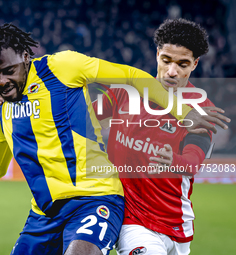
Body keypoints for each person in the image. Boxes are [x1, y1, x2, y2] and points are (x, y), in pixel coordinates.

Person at [0, 23, 228, 255]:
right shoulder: (2, 109)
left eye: (8, 71)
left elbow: (192, 156)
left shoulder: (62, 67)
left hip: (131, 209)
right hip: (68, 215)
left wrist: (180, 113)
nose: (1, 80)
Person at [92, 19, 230, 255]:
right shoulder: (126, 92)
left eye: (182, 64)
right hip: (133, 220)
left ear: (195, 64)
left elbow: (192, 163)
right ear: (157, 54)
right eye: (166, 60)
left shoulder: (200, 109)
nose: (172, 71)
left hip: (178, 223)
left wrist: (172, 161)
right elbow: (81, 120)